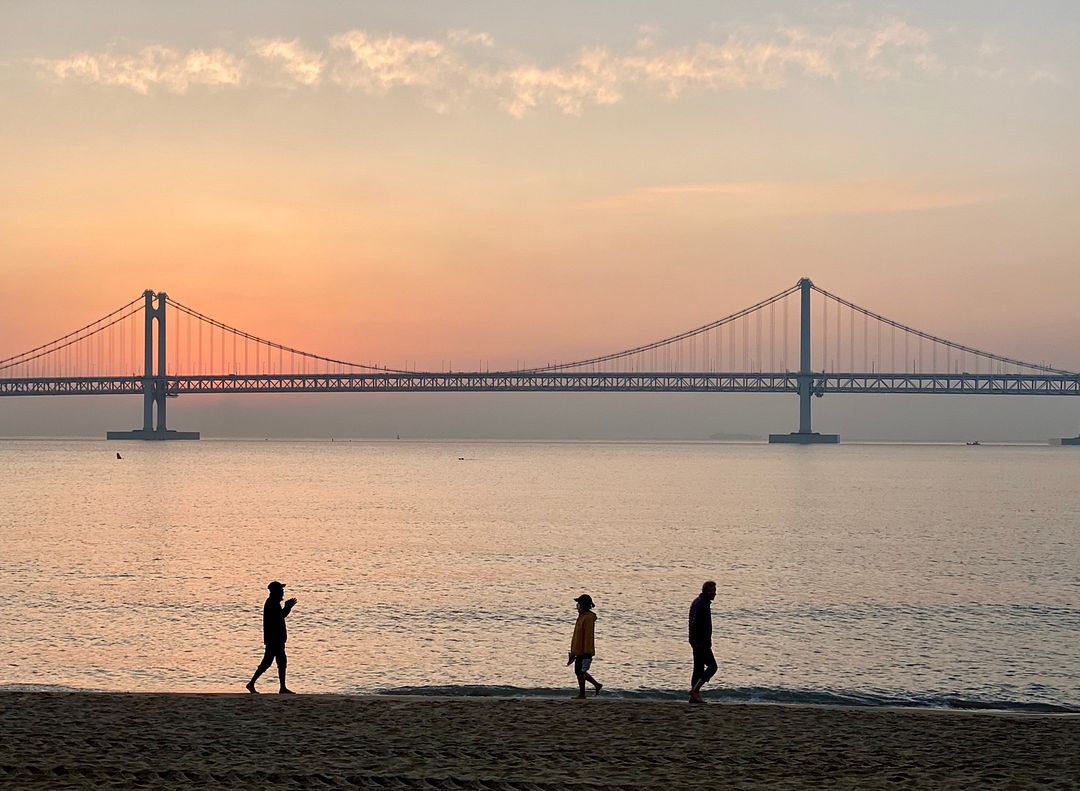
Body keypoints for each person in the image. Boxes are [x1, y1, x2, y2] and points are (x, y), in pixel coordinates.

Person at [246, 581, 297, 694]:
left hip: (275, 638)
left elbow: (280, 617)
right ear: (275, 591)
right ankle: (252, 684)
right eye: (280, 590)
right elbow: (279, 617)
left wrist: (287, 608)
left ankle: (281, 687)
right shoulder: (272, 603)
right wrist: (288, 607)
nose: (282, 592)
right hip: (274, 639)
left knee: (278, 661)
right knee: (271, 662)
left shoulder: (273, 602)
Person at [566, 593, 602, 698]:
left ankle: (582, 694)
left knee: (579, 671)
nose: (578, 606)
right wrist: (573, 651)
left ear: (585, 605)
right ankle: (596, 685)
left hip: (584, 650)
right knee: (580, 671)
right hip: (578, 649)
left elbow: (588, 636)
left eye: (579, 604)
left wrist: (587, 652)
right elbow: (577, 635)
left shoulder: (588, 618)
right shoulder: (581, 616)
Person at [688, 580, 717, 704]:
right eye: (713, 591)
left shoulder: (702, 602)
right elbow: (694, 623)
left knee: (698, 668)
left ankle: (694, 697)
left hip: (699, 641)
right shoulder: (700, 603)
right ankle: (695, 691)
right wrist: (696, 642)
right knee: (713, 667)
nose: (715, 594)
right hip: (700, 642)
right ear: (707, 591)